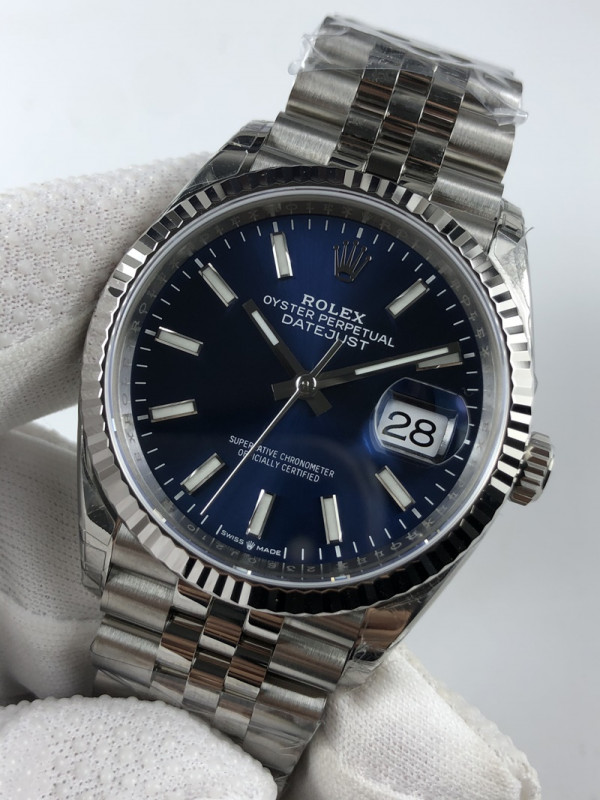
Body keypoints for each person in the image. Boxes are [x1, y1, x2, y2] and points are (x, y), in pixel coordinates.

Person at [0, 157, 541, 799]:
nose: (307, 385)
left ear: (517, 466)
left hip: (310, 600)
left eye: (313, 385)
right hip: (151, 547)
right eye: (304, 380)